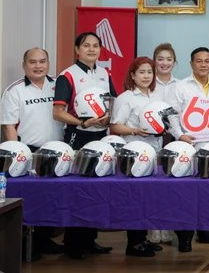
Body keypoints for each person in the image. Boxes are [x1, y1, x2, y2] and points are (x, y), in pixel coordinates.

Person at [52, 32, 118, 259]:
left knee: (96, 188)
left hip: (100, 135)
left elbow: (112, 101)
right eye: (86, 45)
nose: (91, 49)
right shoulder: (67, 75)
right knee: (77, 189)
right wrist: (82, 122)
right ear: (77, 50)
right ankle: (72, 243)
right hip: (77, 135)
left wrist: (108, 118)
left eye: (96, 46)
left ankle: (90, 240)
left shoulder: (103, 73)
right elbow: (58, 112)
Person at [0, 47, 65, 258]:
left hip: (58, 151)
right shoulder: (14, 90)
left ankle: (44, 241)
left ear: (48, 63)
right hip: (28, 152)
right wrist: (17, 156)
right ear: (24, 65)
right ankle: (26, 245)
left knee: (53, 198)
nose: (38, 66)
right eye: (33, 62)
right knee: (31, 199)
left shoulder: (58, 86)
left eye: (42, 61)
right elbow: (8, 126)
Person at [169, 47, 209, 253]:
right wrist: (180, 136)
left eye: (207, 61)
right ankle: (184, 237)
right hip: (189, 146)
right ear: (191, 64)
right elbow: (172, 115)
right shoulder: (181, 87)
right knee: (185, 194)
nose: (204, 65)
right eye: (199, 61)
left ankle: (207, 231)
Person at [109, 57, 166, 257]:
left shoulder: (156, 96)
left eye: (149, 72)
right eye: (141, 72)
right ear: (132, 75)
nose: (146, 76)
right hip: (134, 155)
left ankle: (143, 238)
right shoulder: (126, 98)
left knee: (148, 198)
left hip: (154, 152)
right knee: (134, 199)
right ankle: (133, 244)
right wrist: (135, 131)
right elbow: (115, 126)